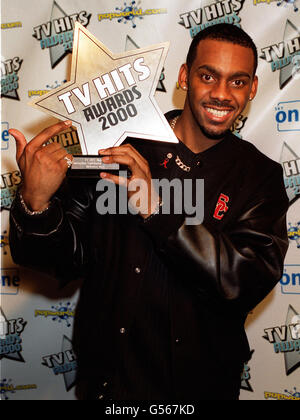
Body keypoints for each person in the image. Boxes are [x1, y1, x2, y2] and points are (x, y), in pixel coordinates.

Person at [9, 24, 289, 401]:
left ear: (253, 88)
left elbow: (244, 281)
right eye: (208, 76)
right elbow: (62, 260)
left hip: (199, 389)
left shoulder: (260, 176)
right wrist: (37, 204)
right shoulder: (117, 146)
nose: (222, 94)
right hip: (108, 385)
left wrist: (158, 209)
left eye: (237, 82)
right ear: (184, 76)